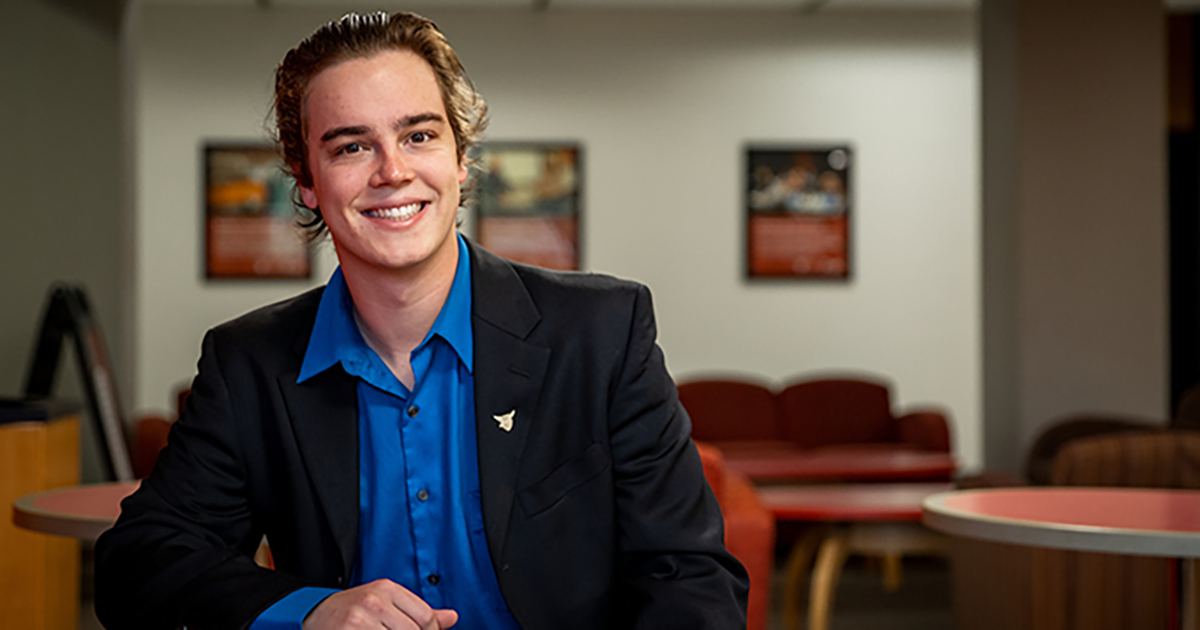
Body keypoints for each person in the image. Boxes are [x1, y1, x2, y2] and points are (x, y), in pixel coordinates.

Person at [95, 10, 748, 630]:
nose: (394, 171)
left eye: (419, 135)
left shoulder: (602, 332)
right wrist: (308, 610)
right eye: (352, 146)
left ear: (461, 159)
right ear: (307, 182)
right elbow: (137, 564)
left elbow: (691, 579)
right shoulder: (251, 364)